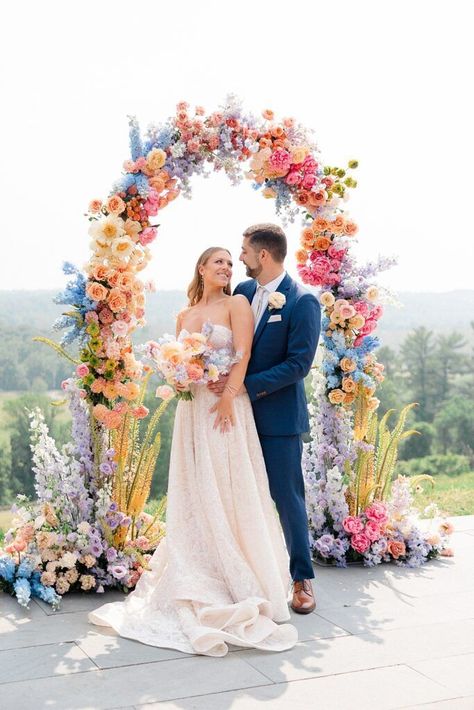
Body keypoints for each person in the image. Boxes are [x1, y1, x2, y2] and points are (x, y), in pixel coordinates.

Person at [88, 246, 298, 657]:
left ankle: (239, 571)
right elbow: (182, 361)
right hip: (192, 409)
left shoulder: (238, 302)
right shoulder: (184, 316)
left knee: (227, 481)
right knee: (196, 485)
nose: (226, 267)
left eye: (230, 263)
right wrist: (179, 374)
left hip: (226, 406)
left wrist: (230, 395)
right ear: (201, 268)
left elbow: (244, 353)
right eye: (218, 261)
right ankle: (196, 563)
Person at [208, 224, 321, 614]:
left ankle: (302, 579)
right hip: (233, 416)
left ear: (263, 256)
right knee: (236, 494)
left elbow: (298, 365)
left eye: (243, 252)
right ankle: (244, 575)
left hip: (276, 417)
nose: (239, 258)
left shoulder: (302, 301)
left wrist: (242, 386)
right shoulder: (241, 293)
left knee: (287, 498)